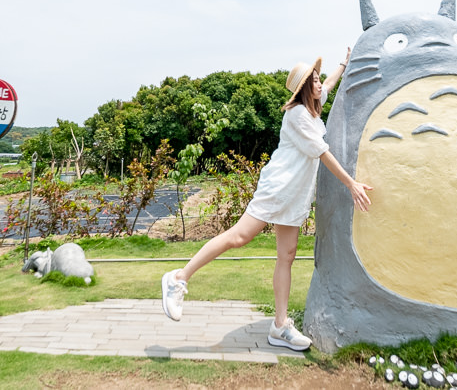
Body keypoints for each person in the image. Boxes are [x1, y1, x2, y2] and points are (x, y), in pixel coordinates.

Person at [160, 49, 373, 351]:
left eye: (317, 79)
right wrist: (351, 183)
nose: (318, 84)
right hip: (278, 188)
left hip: (295, 194)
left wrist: (343, 64)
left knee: (286, 256)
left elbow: (327, 86)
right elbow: (323, 152)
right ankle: (178, 278)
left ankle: (279, 326)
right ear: (302, 89)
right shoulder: (298, 115)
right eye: (312, 81)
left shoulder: (312, 107)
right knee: (239, 236)